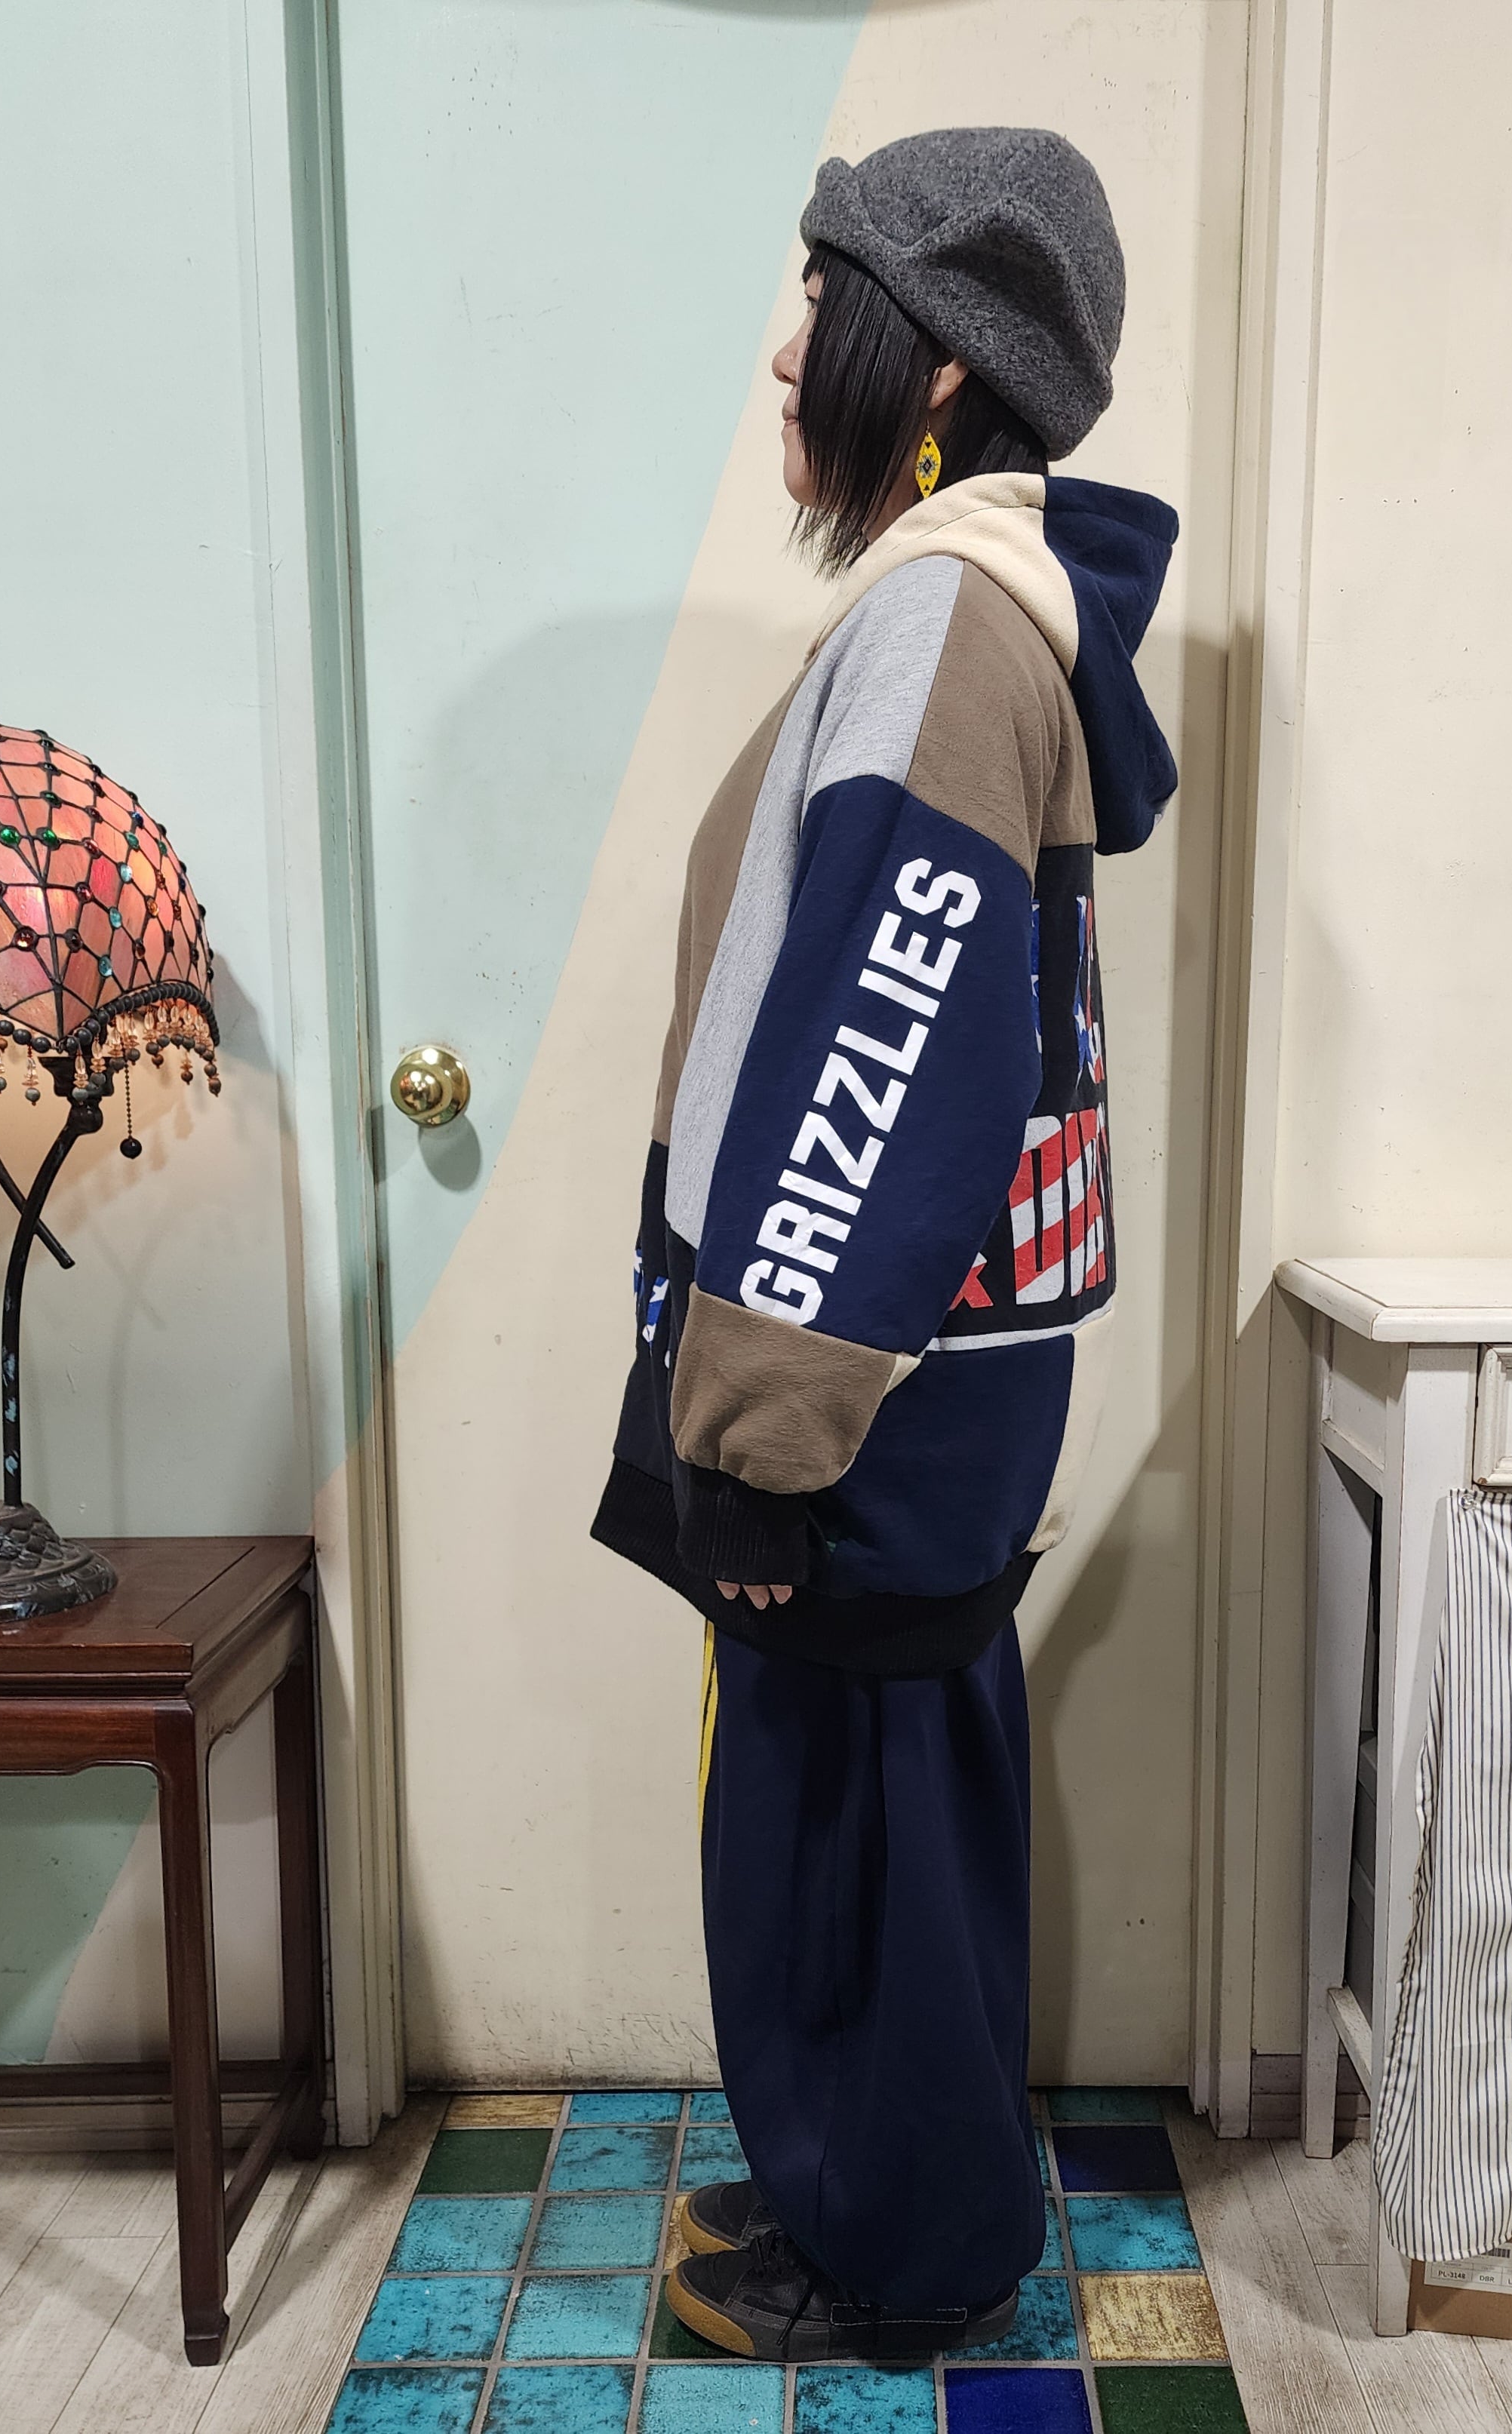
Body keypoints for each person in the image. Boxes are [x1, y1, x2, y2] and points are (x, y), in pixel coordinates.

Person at [592, 124, 1179, 2362]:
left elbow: (881, 1050)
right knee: (866, 1800)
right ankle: (861, 2182)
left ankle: (909, 2256)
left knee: (860, 1819)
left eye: (821, 301)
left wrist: (757, 1416)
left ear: (930, 364)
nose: (784, 352)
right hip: (902, 1370)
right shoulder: (959, 609)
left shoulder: (943, 625)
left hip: (861, 1387)